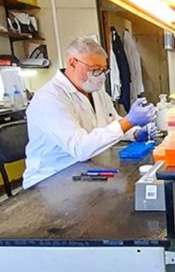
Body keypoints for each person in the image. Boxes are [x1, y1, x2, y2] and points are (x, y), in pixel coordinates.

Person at [23, 37, 156, 188]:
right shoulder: (49, 98)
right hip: (50, 179)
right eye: (95, 70)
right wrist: (129, 121)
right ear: (72, 63)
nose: (101, 76)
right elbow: (80, 148)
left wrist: (135, 132)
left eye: (104, 70)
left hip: (85, 169)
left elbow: (112, 122)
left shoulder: (96, 92)